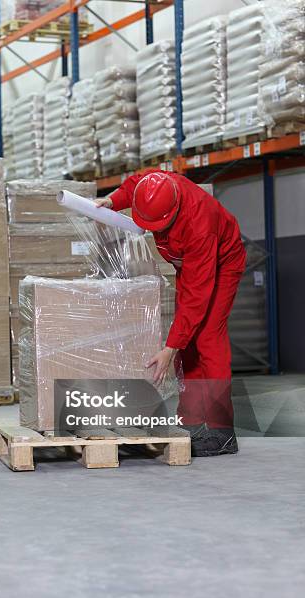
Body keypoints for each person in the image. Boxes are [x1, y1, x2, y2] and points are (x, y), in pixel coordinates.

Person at [95, 170, 246, 457]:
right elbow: (133, 184)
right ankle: (189, 422)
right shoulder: (155, 182)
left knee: (208, 338)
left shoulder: (200, 225)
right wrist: (113, 200)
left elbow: (196, 297)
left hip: (221, 263)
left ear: (174, 210)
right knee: (187, 342)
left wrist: (169, 347)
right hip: (187, 266)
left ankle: (221, 432)